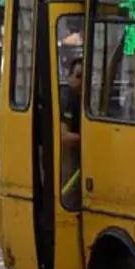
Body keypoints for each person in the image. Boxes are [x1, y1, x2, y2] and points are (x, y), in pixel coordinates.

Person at [59, 57, 83, 207]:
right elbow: (62, 137)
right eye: (78, 76)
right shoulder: (67, 100)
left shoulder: (86, 101)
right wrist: (87, 139)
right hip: (68, 166)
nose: (82, 82)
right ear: (69, 78)